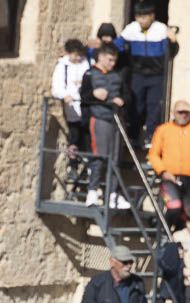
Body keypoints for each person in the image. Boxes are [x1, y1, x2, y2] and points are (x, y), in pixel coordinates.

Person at [117, 2, 179, 144]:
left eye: (144, 17)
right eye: (138, 16)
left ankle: (151, 136)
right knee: (136, 104)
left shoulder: (161, 29)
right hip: (137, 74)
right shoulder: (131, 29)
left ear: (152, 16)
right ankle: (133, 136)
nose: (141, 20)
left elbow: (170, 51)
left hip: (156, 75)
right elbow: (117, 46)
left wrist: (173, 41)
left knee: (154, 106)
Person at [148, 100, 190, 227]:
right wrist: (163, 171)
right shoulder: (163, 129)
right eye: (180, 112)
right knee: (174, 206)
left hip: (189, 179)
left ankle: (176, 237)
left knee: (186, 215)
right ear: (173, 113)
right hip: (169, 177)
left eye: (186, 112)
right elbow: (153, 154)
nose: (183, 115)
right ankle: (163, 231)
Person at [80, 44, 130, 210]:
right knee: (99, 156)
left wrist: (122, 101)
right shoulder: (89, 74)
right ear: (101, 57)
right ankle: (93, 192)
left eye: (114, 60)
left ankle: (112, 194)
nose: (112, 63)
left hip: (116, 119)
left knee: (115, 158)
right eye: (109, 60)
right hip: (99, 118)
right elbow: (84, 97)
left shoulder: (117, 75)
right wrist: (95, 95)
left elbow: (126, 95)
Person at [79, 245, 149, 303]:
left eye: (131, 262)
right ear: (112, 262)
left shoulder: (137, 282)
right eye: (125, 262)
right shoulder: (97, 283)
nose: (129, 266)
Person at [52, 38, 90, 153]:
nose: (78, 58)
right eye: (75, 55)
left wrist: (83, 83)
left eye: (79, 55)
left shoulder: (85, 63)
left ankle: (85, 159)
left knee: (86, 135)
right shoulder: (63, 66)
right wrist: (65, 95)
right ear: (69, 53)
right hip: (72, 105)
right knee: (74, 135)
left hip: (85, 104)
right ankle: (73, 160)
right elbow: (57, 86)